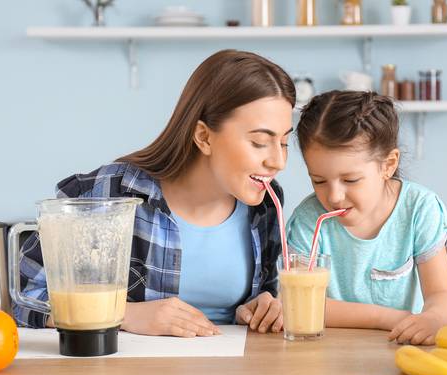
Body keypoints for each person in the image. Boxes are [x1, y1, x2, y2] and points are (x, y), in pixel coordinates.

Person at [15, 49, 296, 337]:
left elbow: (264, 293)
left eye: (285, 142)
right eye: (260, 142)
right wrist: (121, 314)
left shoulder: (266, 205)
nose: (278, 162)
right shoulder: (110, 193)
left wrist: (262, 307)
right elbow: (22, 297)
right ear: (204, 136)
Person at [286, 90, 447, 345]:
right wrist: (389, 318)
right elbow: (301, 304)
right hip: (327, 354)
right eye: (318, 180)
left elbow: (442, 294)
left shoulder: (419, 209)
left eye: (350, 180)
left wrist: (433, 318)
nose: (333, 196)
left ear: (388, 165)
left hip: (400, 349)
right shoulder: (308, 220)